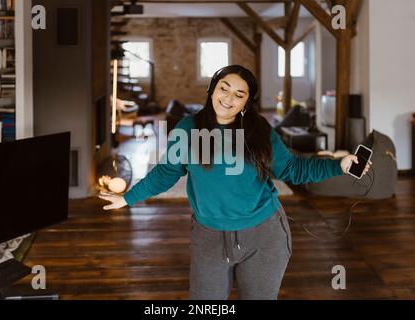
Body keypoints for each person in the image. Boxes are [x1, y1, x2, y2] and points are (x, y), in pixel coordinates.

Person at [99, 65, 371, 300]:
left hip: (264, 236)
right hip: (209, 237)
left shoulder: (259, 131)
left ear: (246, 103)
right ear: (212, 89)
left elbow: (293, 169)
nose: (228, 98)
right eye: (223, 88)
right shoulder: (187, 128)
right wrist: (128, 197)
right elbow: (167, 172)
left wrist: (340, 164)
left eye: (239, 95)